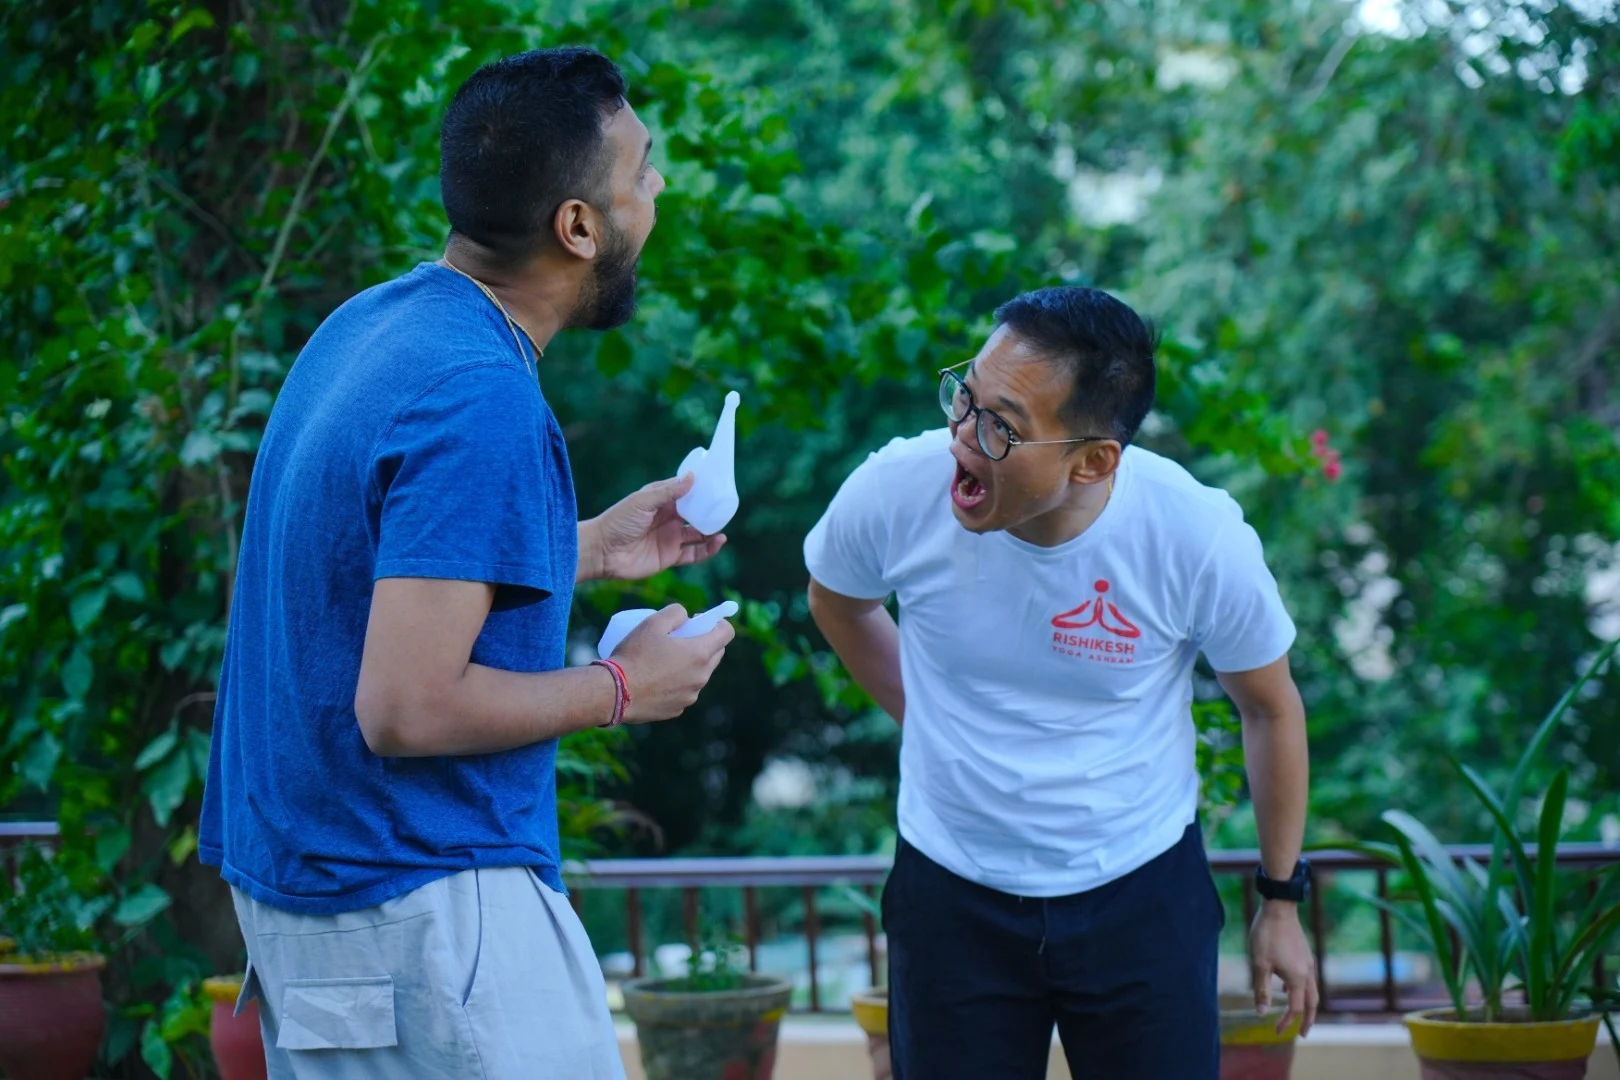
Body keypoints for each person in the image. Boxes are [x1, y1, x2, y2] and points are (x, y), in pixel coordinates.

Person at [198, 47, 733, 1079]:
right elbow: (404, 708)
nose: (657, 189)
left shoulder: (373, 328)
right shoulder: (481, 396)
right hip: (426, 906)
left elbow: (360, 579)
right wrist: (626, 687)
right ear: (579, 227)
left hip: (305, 898)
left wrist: (578, 549)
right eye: (642, 171)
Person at [804, 286, 1318, 1079]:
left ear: (1093, 460)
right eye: (964, 398)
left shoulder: (1194, 535)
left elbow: (1270, 708)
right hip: (951, 890)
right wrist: (930, 717)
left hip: (1140, 889)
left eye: (1002, 427)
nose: (963, 440)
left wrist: (1280, 901)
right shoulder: (898, 491)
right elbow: (837, 601)